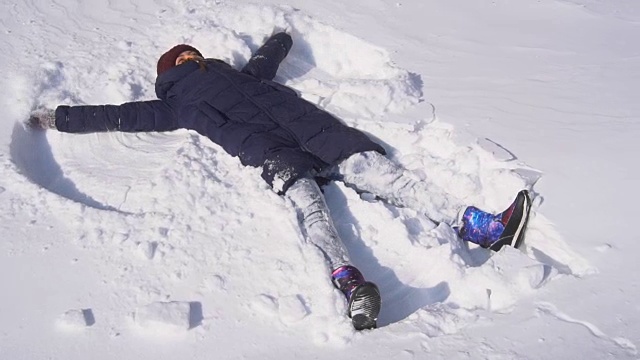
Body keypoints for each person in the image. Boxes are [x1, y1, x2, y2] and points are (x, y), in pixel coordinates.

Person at [27, 32, 532, 331]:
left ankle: (483, 226)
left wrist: (280, 37)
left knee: (389, 178)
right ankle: (350, 285)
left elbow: (266, 61)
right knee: (313, 213)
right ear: (167, 73)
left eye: (190, 53)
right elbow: (118, 115)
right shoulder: (173, 104)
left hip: (318, 133)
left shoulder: (241, 75)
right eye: (178, 58)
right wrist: (60, 118)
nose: (187, 57)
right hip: (272, 154)